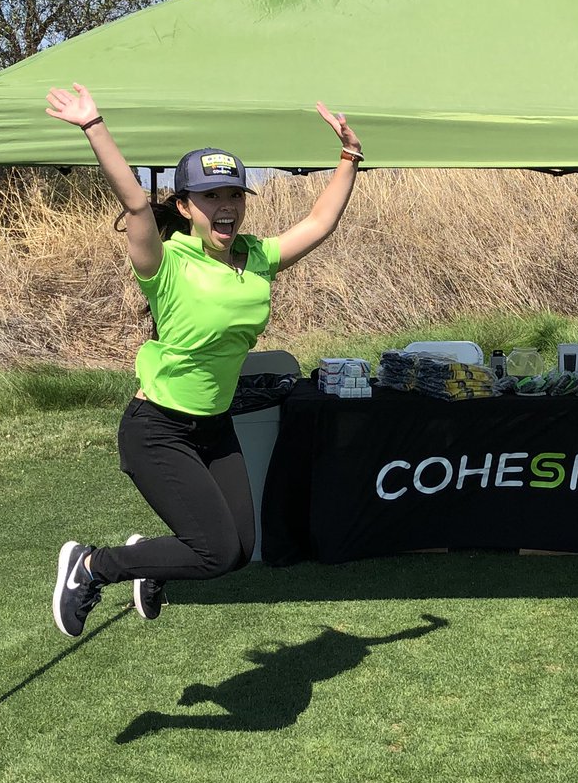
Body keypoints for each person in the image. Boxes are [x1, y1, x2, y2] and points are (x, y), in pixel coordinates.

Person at [45, 83, 364, 637]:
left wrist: (349, 157)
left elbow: (319, 223)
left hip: (215, 428)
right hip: (159, 429)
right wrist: (93, 125)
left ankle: (150, 567)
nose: (227, 207)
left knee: (239, 549)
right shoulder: (166, 263)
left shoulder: (257, 257)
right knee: (215, 552)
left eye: (235, 196)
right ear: (186, 207)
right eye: (212, 198)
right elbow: (136, 204)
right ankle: (93, 564)